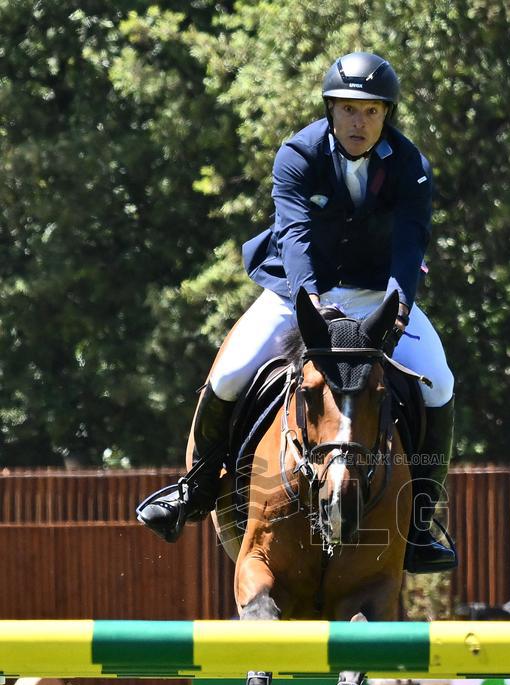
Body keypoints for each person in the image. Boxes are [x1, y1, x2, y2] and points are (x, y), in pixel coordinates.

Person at [137, 51, 457, 572]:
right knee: (231, 374)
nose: (360, 122)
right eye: (350, 109)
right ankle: (195, 489)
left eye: (372, 111)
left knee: (438, 383)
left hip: (376, 295)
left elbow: (410, 243)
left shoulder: (411, 167)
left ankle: (418, 523)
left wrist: (399, 306)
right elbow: (296, 237)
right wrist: (313, 305)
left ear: (386, 115)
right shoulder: (297, 154)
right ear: (331, 108)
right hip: (297, 293)